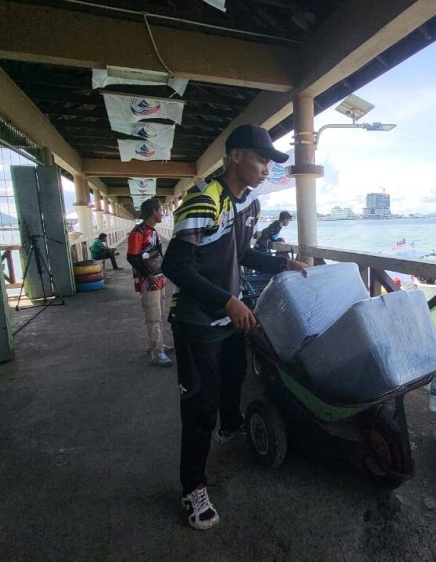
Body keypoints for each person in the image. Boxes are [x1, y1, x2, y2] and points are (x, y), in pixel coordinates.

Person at [162, 124, 308, 531]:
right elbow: (176, 265)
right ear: (237, 156)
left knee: (235, 378)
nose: (266, 169)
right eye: (262, 160)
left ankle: (230, 427)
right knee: (198, 409)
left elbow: (242, 253)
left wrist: (283, 263)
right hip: (196, 322)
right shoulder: (202, 201)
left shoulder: (248, 205)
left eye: (269, 163)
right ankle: (192, 487)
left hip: (229, 318)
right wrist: (226, 299)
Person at [126, 198, 172, 367]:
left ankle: (156, 344)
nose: (162, 213)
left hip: (159, 278)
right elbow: (132, 257)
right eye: (161, 210)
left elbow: (158, 253)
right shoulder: (137, 233)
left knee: (158, 314)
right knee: (153, 316)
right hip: (149, 281)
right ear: (153, 212)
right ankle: (157, 352)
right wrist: (148, 275)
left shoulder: (152, 231)